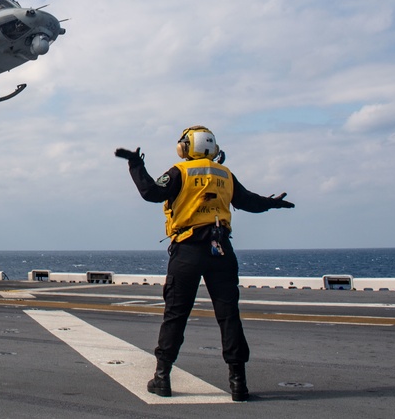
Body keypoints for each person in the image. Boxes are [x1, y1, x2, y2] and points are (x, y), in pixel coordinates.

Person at [115, 126, 294, 402]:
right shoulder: (224, 174)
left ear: (187, 147)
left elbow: (151, 192)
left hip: (188, 250)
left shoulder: (181, 172)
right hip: (221, 250)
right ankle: (238, 384)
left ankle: (162, 378)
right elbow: (248, 201)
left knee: (176, 314)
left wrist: (136, 164)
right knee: (229, 316)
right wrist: (272, 204)